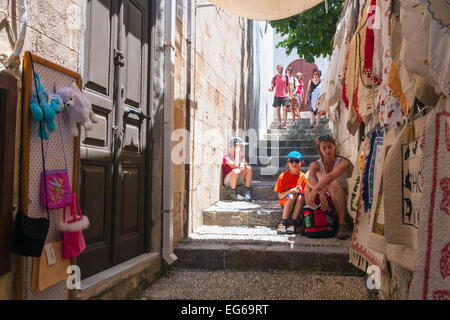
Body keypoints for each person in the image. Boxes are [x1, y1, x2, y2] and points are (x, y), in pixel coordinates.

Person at [304, 135, 352, 239]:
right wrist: (320, 192)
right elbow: (308, 177)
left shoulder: (343, 162)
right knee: (307, 187)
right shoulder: (316, 164)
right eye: (324, 148)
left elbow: (331, 176)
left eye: (329, 146)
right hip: (325, 200)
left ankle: (342, 224)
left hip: (341, 199)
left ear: (334, 147)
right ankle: (310, 221)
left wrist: (316, 189)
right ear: (320, 150)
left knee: (332, 183)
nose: (327, 150)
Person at [274, 151, 307, 235]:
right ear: (288, 163)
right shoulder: (282, 176)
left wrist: (300, 191)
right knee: (291, 196)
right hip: (286, 202)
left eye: (296, 161)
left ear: (301, 163)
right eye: (291, 161)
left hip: (299, 203)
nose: (294, 163)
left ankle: (293, 222)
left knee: (301, 196)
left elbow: (306, 194)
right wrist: (290, 190)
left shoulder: (303, 177)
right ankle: (283, 222)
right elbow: (280, 196)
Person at [222, 137, 253, 201]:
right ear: (235, 146)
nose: (241, 148)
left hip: (238, 179)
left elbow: (245, 165)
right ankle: (233, 192)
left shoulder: (241, 155)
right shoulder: (226, 157)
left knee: (248, 168)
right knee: (235, 170)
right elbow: (235, 166)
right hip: (229, 181)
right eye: (240, 146)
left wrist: (243, 164)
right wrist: (237, 152)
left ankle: (247, 191)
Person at [269, 64, 291, 129]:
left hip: (285, 95)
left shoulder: (286, 77)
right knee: (278, 109)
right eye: (279, 69)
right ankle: (280, 124)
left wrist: (290, 95)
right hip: (277, 96)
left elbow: (289, 87)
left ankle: (284, 124)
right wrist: (271, 89)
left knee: (284, 109)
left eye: (282, 69)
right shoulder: (274, 77)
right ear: (277, 69)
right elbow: (272, 86)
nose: (281, 70)